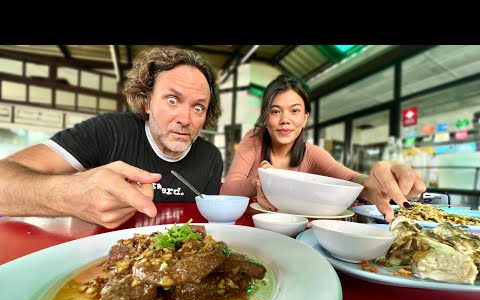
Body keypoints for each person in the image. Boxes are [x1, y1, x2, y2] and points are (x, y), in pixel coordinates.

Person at [0, 47, 223, 229]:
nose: (185, 119)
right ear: (147, 102)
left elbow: (208, 225)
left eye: (198, 107)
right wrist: (70, 193)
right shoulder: (110, 131)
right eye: (172, 100)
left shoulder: (211, 158)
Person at [220, 74, 426, 222]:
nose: (285, 120)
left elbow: (353, 181)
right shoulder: (255, 139)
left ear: (305, 118)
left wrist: (383, 181)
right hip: (255, 229)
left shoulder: (312, 154)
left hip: (302, 233)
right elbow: (227, 190)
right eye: (275, 111)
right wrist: (260, 178)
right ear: (266, 117)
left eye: (294, 111)